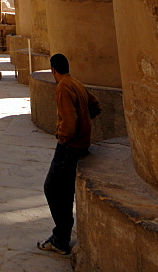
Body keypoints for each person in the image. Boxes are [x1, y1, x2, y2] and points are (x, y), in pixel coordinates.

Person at [37, 53, 100, 257]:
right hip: (79, 144)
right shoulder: (75, 82)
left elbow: (69, 124)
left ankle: (60, 238)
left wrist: (62, 135)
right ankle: (62, 233)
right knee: (63, 190)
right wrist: (85, 123)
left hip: (69, 147)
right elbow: (95, 104)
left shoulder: (63, 87)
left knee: (52, 188)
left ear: (53, 70)